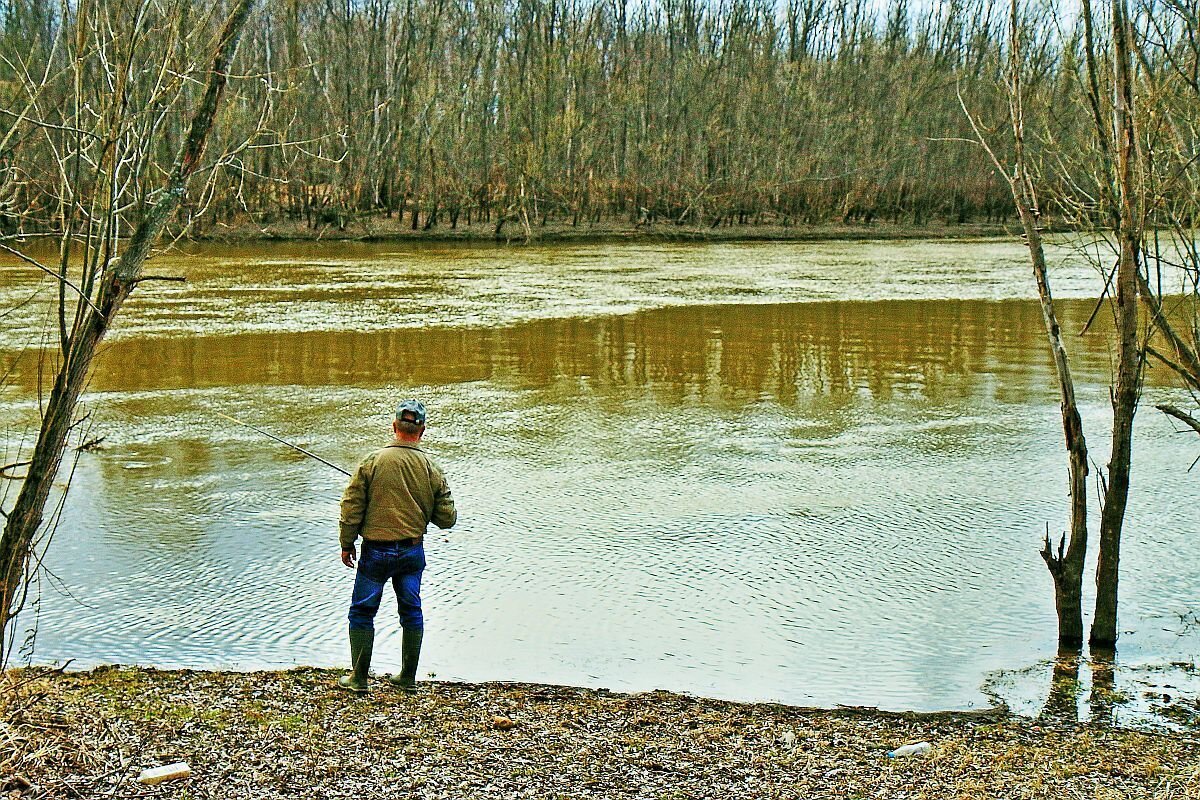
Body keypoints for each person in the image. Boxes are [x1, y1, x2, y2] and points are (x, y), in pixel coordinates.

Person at [337, 399, 457, 694]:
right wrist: (425, 505)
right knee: (411, 611)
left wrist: (347, 542)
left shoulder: (372, 462)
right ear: (422, 431)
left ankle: (359, 679)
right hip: (412, 552)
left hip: (375, 551)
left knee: (363, 613)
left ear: (394, 427)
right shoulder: (431, 468)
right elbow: (447, 519)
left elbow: (351, 507)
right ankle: (407, 678)